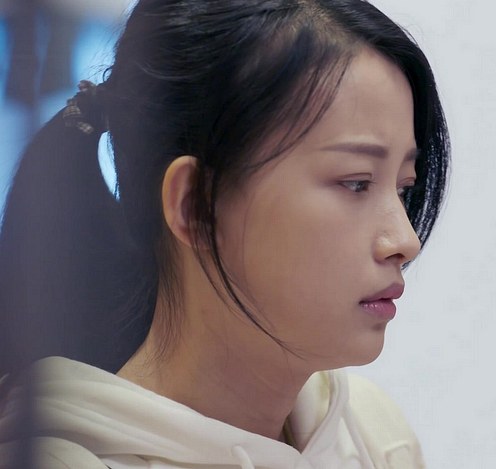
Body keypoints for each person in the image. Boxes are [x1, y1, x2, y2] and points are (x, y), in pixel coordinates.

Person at [0, 0, 449, 467]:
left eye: (404, 187)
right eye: (356, 183)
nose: (405, 241)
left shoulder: (376, 437)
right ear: (196, 205)